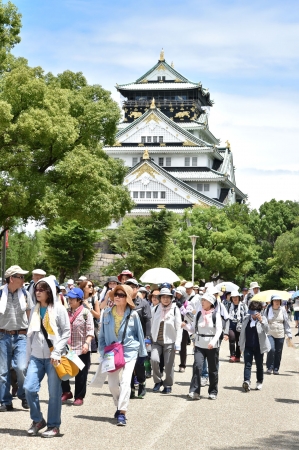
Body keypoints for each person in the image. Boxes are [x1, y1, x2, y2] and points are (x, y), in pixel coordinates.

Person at [24, 277, 70, 437]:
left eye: (41, 289)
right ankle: (38, 420)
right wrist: (28, 357)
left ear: (49, 292)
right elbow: (30, 335)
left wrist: (57, 351)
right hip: (36, 356)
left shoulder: (59, 309)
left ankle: (54, 425)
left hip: (53, 357)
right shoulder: (35, 309)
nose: (37, 292)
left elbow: (66, 332)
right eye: (36, 289)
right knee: (29, 388)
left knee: (54, 393)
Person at [98, 284, 147, 426]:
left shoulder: (133, 314)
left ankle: (122, 412)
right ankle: (119, 405)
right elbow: (101, 336)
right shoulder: (106, 313)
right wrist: (102, 352)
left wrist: (142, 354)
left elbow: (140, 334)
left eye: (121, 295)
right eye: (116, 294)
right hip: (111, 351)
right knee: (112, 384)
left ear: (127, 298)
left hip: (129, 351)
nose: (118, 297)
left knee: (126, 382)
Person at [0, 265, 34, 412]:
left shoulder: (25, 294)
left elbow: (30, 316)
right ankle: (5, 401)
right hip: (3, 335)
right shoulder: (0, 293)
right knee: (3, 371)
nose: (23, 280)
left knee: (21, 367)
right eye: (20, 277)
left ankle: (23, 394)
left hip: (21, 335)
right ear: (11, 278)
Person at [184, 293, 222, 400]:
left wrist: (213, 342)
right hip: (199, 344)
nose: (202, 302)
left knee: (213, 369)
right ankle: (194, 391)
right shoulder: (199, 314)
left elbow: (219, 330)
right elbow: (193, 329)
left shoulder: (216, 315)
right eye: (202, 300)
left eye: (204, 300)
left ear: (210, 303)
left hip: (212, 346)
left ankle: (213, 391)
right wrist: (185, 327)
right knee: (197, 366)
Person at [61, 288, 94, 406]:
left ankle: (79, 396)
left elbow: (90, 330)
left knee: (81, 374)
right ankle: (66, 391)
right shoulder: (65, 311)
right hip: (67, 348)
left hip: (81, 348)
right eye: (69, 298)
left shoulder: (86, 313)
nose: (69, 300)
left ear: (79, 300)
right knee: (64, 371)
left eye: (72, 298)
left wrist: (87, 343)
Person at [151, 288, 182, 394]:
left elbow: (179, 327)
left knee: (169, 364)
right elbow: (150, 323)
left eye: (168, 297)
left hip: (169, 341)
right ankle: (157, 381)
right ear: (159, 298)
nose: (165, 299)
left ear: (171, 298)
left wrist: (178, 342)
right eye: (163, 297)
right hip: (156, 341)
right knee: (154, 360)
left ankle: (168, 385)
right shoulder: (155, 309)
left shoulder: (175, 309)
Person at [125, 278, 151, 399]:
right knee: (128, 363)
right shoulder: (122, 301)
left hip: (140, 338)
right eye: (128, 287)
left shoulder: (143, 303)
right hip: (127, 338)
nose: (130, 289)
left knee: (139, 364)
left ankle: (141, 382)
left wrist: (147, 337)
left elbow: (147, 321)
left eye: (133, 287)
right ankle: (130, 387)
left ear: (137, 289)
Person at [239, 300, 270, 392]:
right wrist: (241, 346)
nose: (253, 315)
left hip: (259, 346)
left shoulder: (263, 319)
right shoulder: (246, 319)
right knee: (247, 365)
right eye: (251, 312)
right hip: (248, 346)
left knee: (259, 365)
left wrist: (261, 321)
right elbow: (242, 333)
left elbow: (267, 330)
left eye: (255, 313)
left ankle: (259, 381)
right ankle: (246, 382)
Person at [265, 295, 292, 375]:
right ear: (272, 302)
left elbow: (286, 323)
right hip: (270, 332)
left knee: (278, 351)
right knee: (271, 349)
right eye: (275, 300)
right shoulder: (268, 309)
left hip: (280, 333)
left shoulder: (283, 310)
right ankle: (269, 367)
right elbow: (264, 321)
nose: (277, 302)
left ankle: (276, 368)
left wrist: (289, 334)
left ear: (280, 302)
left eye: (278, 300)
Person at [80, 280, 100, 352]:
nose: (91, 288)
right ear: (83, 287)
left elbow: (98, 315)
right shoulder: (78, 298)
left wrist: (89, 307)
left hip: (90, 326)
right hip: (79, 326)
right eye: (89, 286)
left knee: (89, 350)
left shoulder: (94, 299)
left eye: (92, 286)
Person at [228, 291, 248, 362]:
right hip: (231, 324)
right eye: (233, 297)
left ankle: (238, 356)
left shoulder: (243, 305)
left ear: (239, 297)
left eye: (236, 297)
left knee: (239, 341)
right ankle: (232, 355)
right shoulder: (229, 305)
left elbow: (247, 315)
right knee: (232, 338)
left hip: (241, 325)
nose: (235, 298)